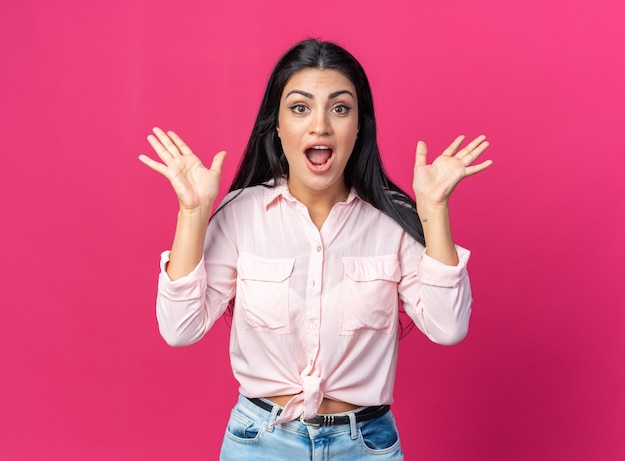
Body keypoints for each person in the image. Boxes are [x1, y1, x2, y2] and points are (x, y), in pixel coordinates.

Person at [139, 39, 492, 460]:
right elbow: (179, 329)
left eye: (340, 108)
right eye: (300, 107)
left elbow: (448, 327)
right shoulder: (241, 214)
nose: (320, 125)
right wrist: (193, 213)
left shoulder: (392, 219)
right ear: (277, 124)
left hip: (366, 446)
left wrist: (433, 210)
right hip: (259, 444)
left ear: (359, 126)